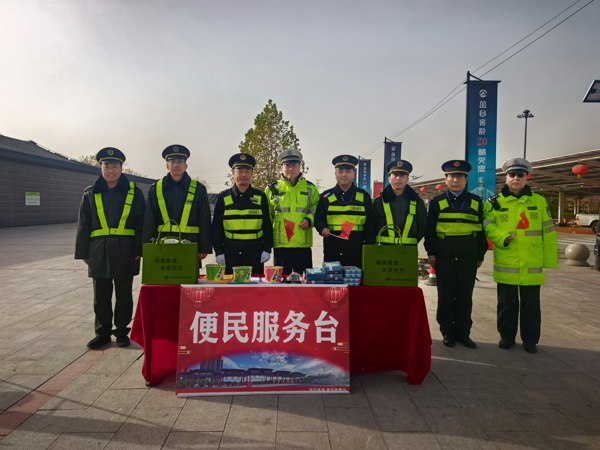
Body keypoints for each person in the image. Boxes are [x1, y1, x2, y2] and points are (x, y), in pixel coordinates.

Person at [483, 157, 558, 354]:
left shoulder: (539, 201)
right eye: (512, 174)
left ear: (527, 177)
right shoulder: (494, 203)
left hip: (531, 263)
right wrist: (503, 237)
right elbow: (487, 226)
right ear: (506, 177)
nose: (516, 178)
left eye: (520, 175)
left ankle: (530, 340)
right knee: (506, 304)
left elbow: (549, 232)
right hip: (506, 263)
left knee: (531, 305)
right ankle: (506, 337)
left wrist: (550, 260)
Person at [75, 147, 145, 349]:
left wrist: (140, 250)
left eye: (115, 166)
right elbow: (83, 224)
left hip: (126, 250)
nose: (111, 170)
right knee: (101, 297)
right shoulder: (90, 193)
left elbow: (141, 222)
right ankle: (102, 333)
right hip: (98, 251)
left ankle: (122, 332)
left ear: (122, 168)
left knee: (124, 296)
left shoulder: (134, 192)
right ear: (101, 168)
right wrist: (83, 252)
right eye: (106, 166)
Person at [424, 160, 488, 349]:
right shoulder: (437, 202)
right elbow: (430, 231)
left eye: (460, 177)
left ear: (466, 180)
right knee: (445, 296)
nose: (455, 180)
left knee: (465, 296)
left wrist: (480, 254)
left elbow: (481, 232)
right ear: (445, 179)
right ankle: (447, 333)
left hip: (468, 257)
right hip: (444, 257)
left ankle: (463, 333)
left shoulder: (476, 202)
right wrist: (431, 253)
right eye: (452, 176)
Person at [142, 145, 212, 265]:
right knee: (163, 276)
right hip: (161, 245)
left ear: (186, 165)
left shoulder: (198, 189)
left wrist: (204, 247)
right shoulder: (156, 189)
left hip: (190, 245)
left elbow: (204, 219)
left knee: (188, 277)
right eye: (172, 161)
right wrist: (147, 247)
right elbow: (149, 219)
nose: (176, 165)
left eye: (180, 162)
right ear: (167, 165)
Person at [212, 153, 273, 274]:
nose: (243, 175)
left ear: (252, 173)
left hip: (255, 253)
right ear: (233, 173)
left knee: (256, 285)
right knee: (231, 286)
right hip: (230, 254)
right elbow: (216, 227)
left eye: (247, 171)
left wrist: (267, 249)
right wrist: (218, 251)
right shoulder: (224, 197)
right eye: (239, 171)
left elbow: (267, 225)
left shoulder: (260, 196)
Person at [264, 149, 319, 275]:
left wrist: (310, 220)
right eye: (287, 165)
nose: (291, 169)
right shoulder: (272, 189)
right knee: (281, 281)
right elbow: (267, 217)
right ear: (281, 167)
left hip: (302, 244)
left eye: (294, 165)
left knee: (304, 281)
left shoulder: (310, 188)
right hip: (281, 245)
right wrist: (266, 244)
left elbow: (317, 208)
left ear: (300, 166)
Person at [314, 154, 374, 267]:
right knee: (332, 278)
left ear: (354, 173)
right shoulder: (326, 197)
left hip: (357, 251)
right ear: (335, 174)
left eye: (348, 171)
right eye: (340, 171)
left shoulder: (364, 196)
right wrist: (322, 228)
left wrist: (369, 247)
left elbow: (371, 223)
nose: (344, 175)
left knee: (356, 279)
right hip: (332, 250)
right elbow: (318, 218)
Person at [373, 159, 426, 246]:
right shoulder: (378, 202)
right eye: (395, 175)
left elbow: (423, 227)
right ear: (389, 178)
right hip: (382, 250)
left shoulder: (418, 203)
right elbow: (371, 226)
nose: (398, 178)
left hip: (408, 250)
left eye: (402, 175)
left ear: (407, 179)